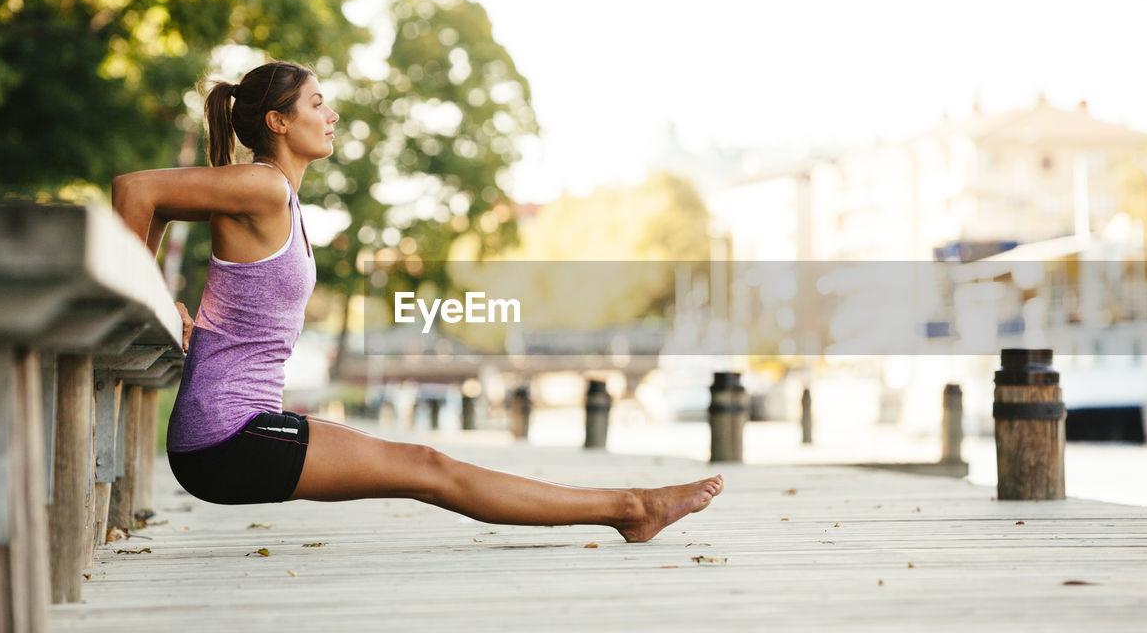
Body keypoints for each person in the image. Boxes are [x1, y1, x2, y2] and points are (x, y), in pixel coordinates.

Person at [112, 60, 723, 542]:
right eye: (317, 103)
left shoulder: (278, 200)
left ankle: (628, 507)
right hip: (226, 438)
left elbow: (157, 206)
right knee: (431, 470)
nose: (331, 115)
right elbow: (137, 192)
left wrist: (166, 301)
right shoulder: (264, 185)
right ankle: (630, 508)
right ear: (278, 121)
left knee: (428, 466)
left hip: (234, 430)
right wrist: (144, 306)